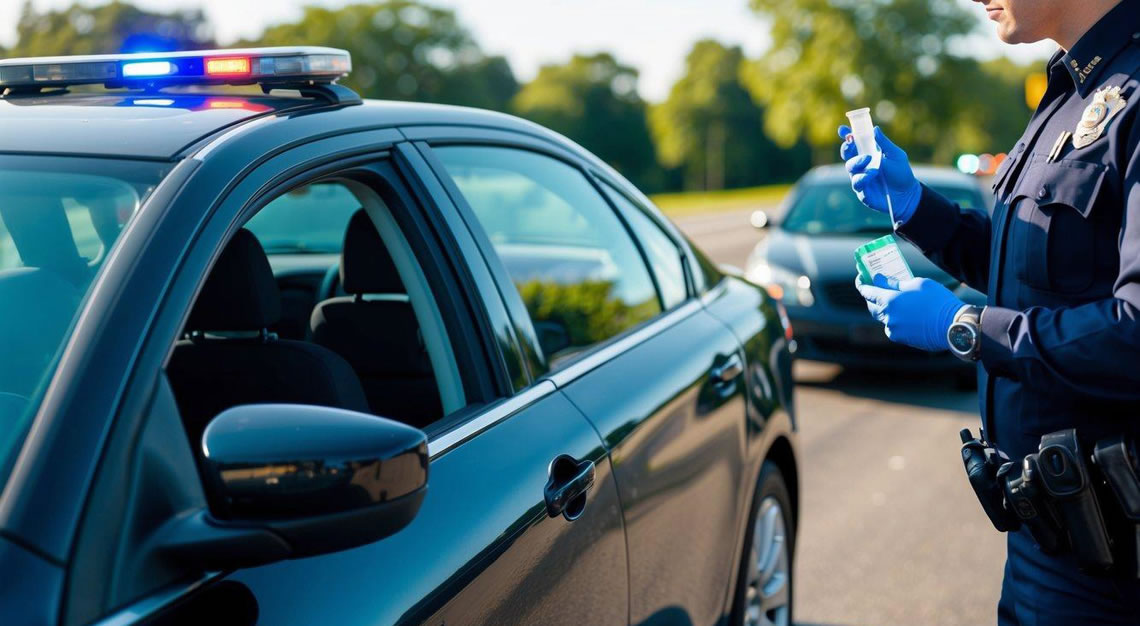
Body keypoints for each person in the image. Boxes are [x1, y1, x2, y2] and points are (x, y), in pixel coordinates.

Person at [838, 0, 1140, 623]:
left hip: (1111, 565)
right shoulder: (1071, 90)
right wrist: (916, 206)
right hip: (1048, 530)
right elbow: (1032, 270)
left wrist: (968, 328)